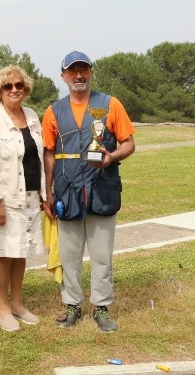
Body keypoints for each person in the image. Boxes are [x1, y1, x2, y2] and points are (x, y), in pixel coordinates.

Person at [42, 51, 135, 332]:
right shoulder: (53, 111)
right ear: (63, 76)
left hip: (102, 188)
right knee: (69, 255)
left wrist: (112, 157)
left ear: (91, 73)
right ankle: (72, 304)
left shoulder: (110, 104)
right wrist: (48, 192)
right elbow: (49, 153)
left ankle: (101, 307)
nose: (79, 75)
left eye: (83, 70)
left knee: (102, 255)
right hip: (67, 191)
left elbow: (129, 143)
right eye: (73, 71)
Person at [0, 66, 46, 332]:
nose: (14, 89)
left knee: (21, 252)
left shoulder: (31, 116)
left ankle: (18, 304)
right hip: (6, 200)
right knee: (4, 253)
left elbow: (38, 157)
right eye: (8, 86)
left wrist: (44, 194)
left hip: (31, 197)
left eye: (19, 85)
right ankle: (3, 309)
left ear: (26, 89)